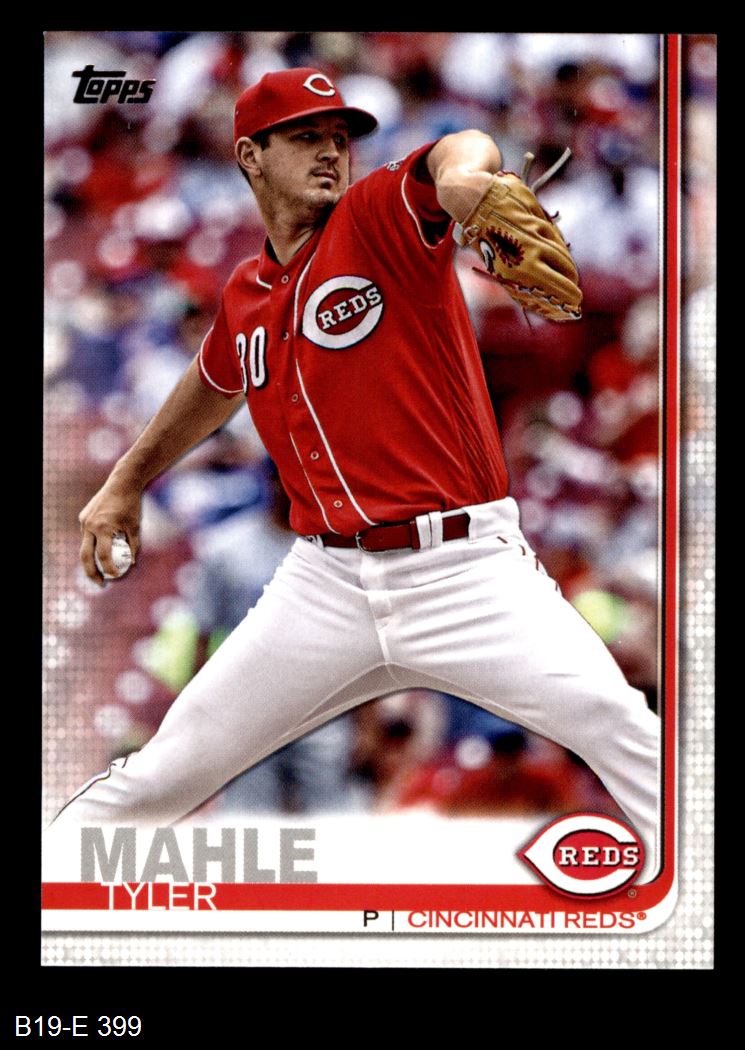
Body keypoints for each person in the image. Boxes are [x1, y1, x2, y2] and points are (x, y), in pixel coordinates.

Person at [52, 67, 660, 878]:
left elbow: (454, 151)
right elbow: (213, 380)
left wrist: (469, 181)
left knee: (621, 728)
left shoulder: (376, 218)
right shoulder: (247, 292)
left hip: (462, 568)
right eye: (305, 136)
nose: (330, 152)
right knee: (160, 774)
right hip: (325, 582)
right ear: (250, 156)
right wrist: (125, 483)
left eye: (338, 137)